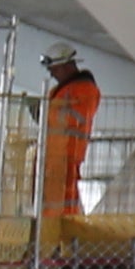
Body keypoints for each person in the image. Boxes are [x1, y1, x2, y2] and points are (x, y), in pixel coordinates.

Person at [39, 51, 97, 222]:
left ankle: (64, 229)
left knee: (64, 200)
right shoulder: (57, 91)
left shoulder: (86, 89)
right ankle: (51, 230)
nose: (52, 74)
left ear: (66, 66)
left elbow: (76, 118)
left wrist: (46, 113)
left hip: (68, 154)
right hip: (53, 156)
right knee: (52, 200)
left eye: (54, 69)